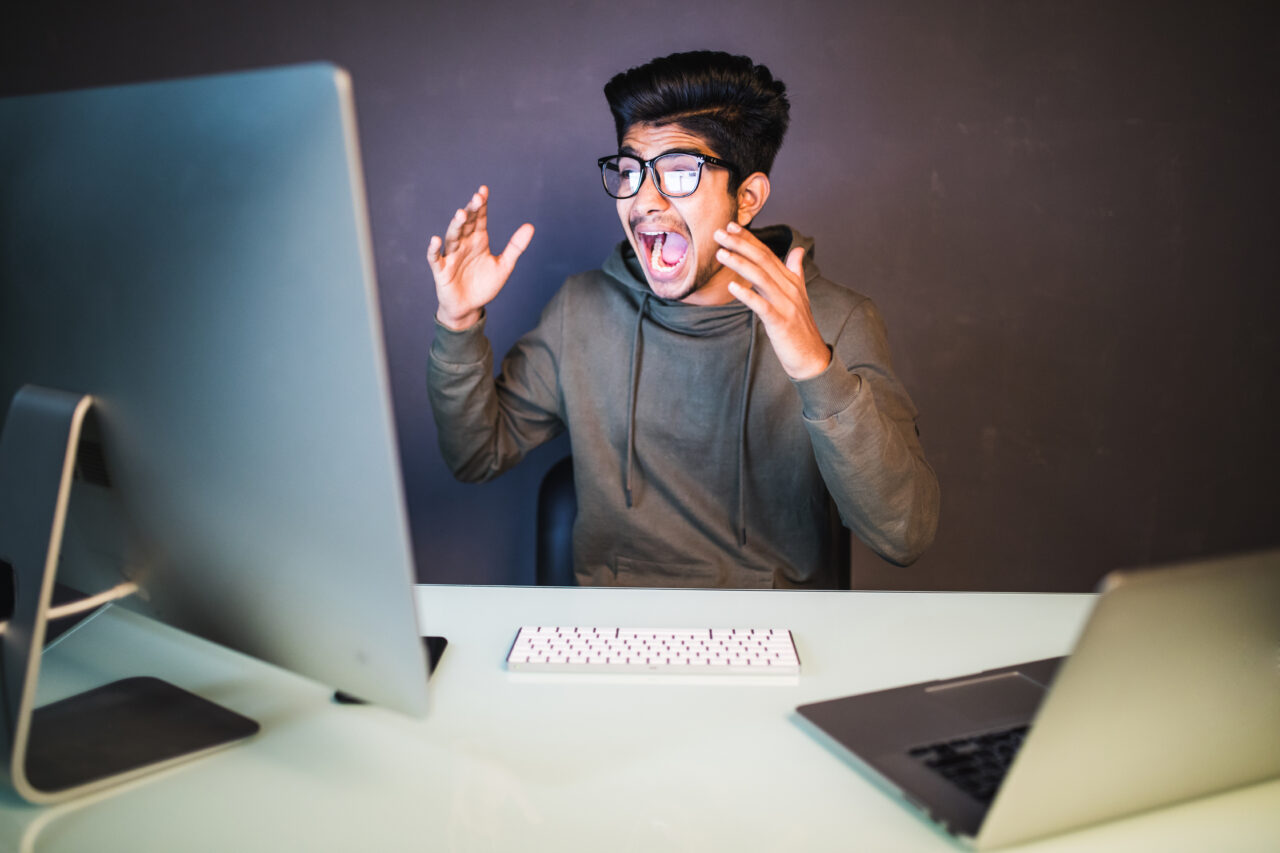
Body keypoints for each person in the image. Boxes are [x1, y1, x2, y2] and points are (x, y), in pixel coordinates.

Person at [426, 51, 939, 588]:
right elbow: (475, 456)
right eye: (629, 171)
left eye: (679, 173)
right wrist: (457, 321)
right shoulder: (582, 308)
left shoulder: (836, 320)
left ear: (747, 197)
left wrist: (815, 367)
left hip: (771, 639)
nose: (644, 200)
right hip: (610, 631)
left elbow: (904, 535)